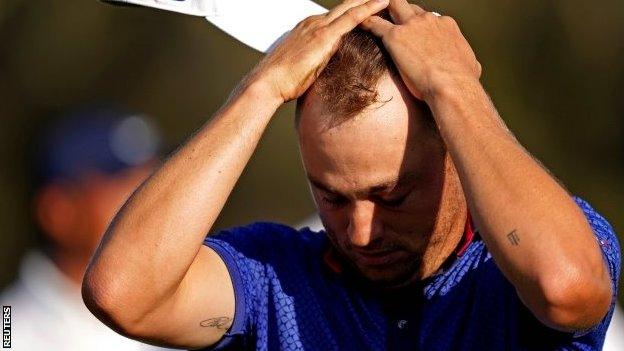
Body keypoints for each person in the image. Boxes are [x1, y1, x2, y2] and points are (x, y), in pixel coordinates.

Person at [82, 0, 621, 350]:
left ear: (456, 153)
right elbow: (123, 294)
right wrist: (260, 90)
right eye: (333, 197)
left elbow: (566, 288)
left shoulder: (509, 276)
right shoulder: (276, 282)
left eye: (391, 195)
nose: (361, 232)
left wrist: (455, 88)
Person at [0, 107, 174, 350]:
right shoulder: (9, 333)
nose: (155, 198)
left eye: (153, 178)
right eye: (124, 183)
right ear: (58, 212)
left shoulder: (197, 314)